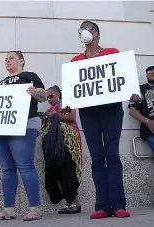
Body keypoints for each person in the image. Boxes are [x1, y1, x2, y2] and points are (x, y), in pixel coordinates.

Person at [0, 51, 46, 221]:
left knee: (25, 165)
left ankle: (34, 208)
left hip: (25, 124)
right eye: (5, 59)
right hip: (0, 128)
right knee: (7, 168)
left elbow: (43, 97)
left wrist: (34, 92)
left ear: (21, 61)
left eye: (11, 57)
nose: (7, 60)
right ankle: (9, 209)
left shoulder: (29, 76)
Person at [71, 20, 130, 219]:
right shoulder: (76, 61)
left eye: (89, 28)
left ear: (97, 33)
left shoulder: (112, 52)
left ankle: (118, 204)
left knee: (112, 154)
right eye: (82, 29)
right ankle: (102, 206)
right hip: (89, 113)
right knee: (97, 157)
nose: (85, 32)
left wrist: (132, 92)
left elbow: (122, 77)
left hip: (111, 110)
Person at [40, 85, 82, 214]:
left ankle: (76, 204)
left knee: (67, 171)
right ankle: (68, 203)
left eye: (51, 96)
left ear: (58, 94)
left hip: (67, 143)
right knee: (57, 174)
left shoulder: (66, 103)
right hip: (55, 145)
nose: (49, 99)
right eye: (47, 97)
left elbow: (72, 117)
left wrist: (54, 116)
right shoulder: (50, 109)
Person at [129, 65, 154, 151]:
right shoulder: (140, 89)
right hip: (151, 131)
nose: (152, 72)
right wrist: (148, 121)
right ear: (146, 75)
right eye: (149, 71)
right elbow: (132, 111)